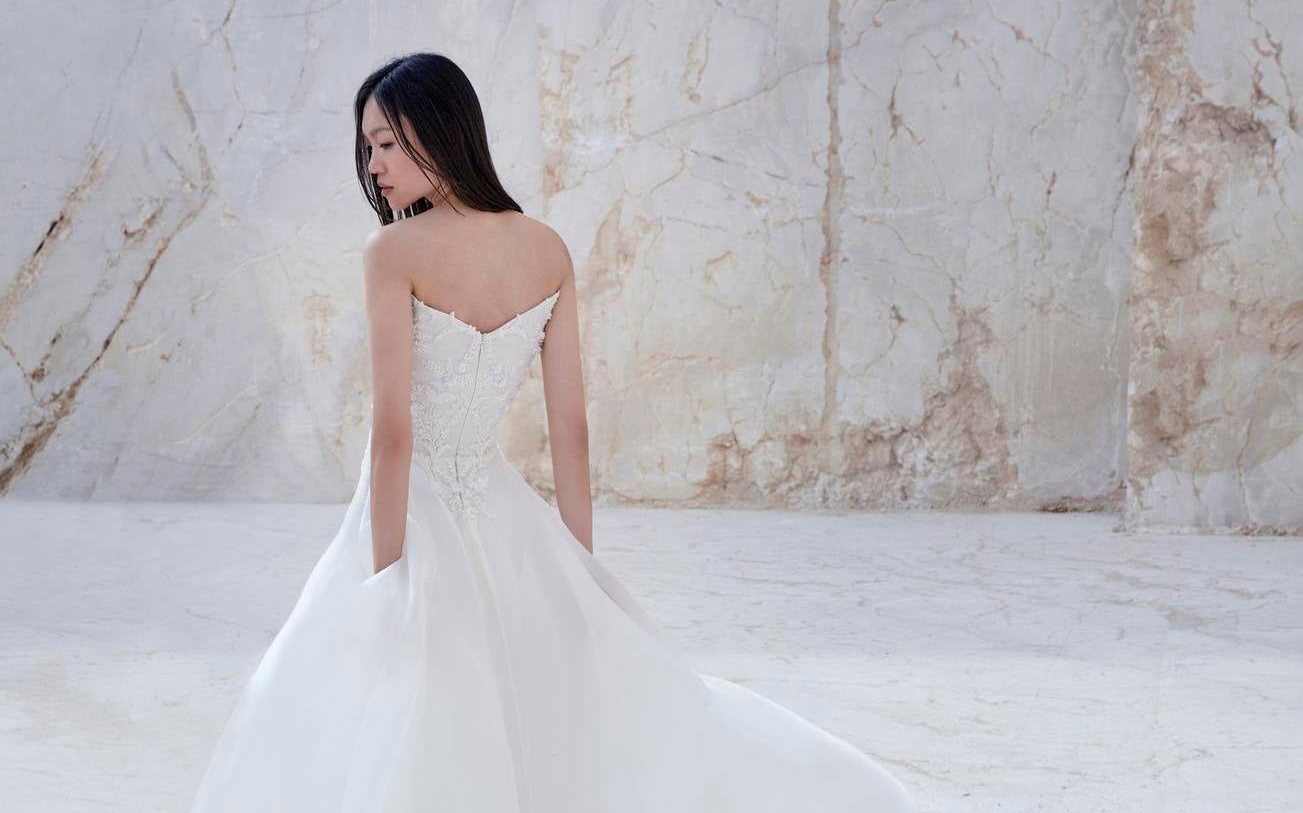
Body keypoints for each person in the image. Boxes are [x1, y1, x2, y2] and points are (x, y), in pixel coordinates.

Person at [187, 51, 917, 813]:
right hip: (508, 517)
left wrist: (384, 579)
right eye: (368, 147)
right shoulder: (546, 248)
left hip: (410, 514)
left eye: (389, 143)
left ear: (440, 133)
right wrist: (577, 570)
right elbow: (571, 429)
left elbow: (394, 434)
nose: (374, 166)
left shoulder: (393, 252)